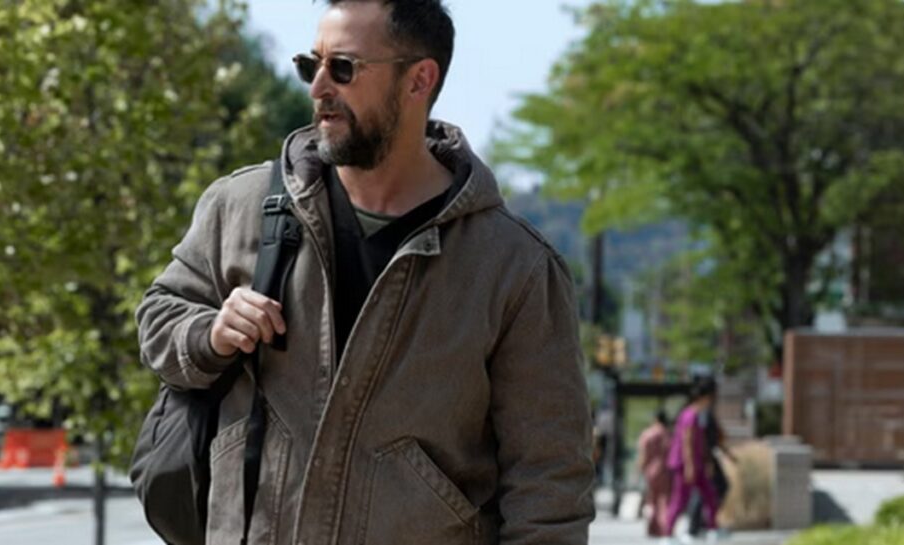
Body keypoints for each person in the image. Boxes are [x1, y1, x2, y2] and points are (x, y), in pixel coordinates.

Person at [135, 1, 596, 544]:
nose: (318, 88)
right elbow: (158, 318)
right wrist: (209, 334)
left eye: (343, 68)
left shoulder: (515, 268)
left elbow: (549, 484)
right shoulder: (241, 205)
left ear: (419, 80)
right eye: (311, 65)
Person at [662, 379, 722, 544]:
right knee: (680, 498)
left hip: (697, 463)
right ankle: (667, 535)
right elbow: (687, 441)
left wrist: (706, 461)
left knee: (710, 495)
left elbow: (700, 441)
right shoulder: (690, 414)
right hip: (686, 464)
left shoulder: (698, 414)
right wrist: (689, 466)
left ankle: (712, 529)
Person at [687, 404, 737, 539]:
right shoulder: (702, 416)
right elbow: (704, 442)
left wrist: (729, 455)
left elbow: (717, 441)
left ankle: (704, 524)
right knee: (702, 492)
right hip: (705, 460)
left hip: (708, 459)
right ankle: (695, 527)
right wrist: (707, 461)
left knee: (715, 490)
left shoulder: (708, 416)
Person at [636, 409, 672, 538]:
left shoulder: (648, 433)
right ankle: (664, 528)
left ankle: (652, 528)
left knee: (651, 500)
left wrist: (638, 470)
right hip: (665, 470)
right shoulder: (667, 434)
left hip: (650, 470)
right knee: (664, 500)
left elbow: (643, 454)